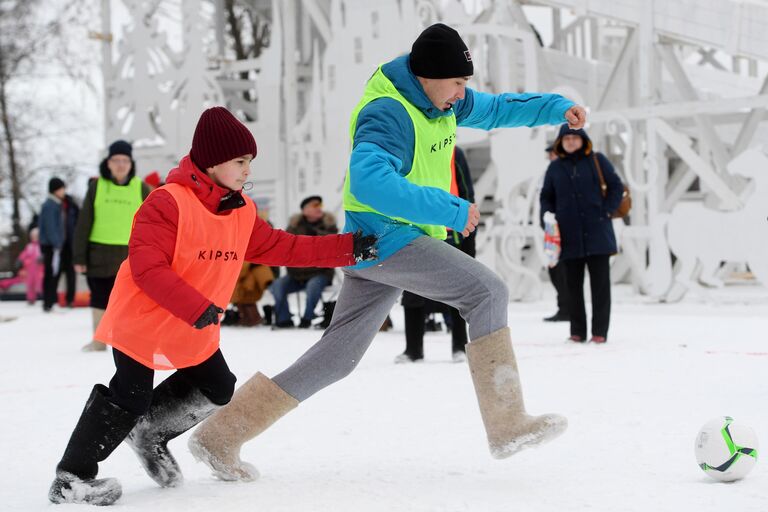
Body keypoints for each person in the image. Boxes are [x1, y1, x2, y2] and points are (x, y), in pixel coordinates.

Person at [189, 23, 586, 482]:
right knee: (487, 292)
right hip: (386, 237)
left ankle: (219, 436)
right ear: (429, 76)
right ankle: (508, 425)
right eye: (457, 83)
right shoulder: (387, 112)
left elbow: (496, 109)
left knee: (337, 357)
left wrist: (556, 108)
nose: (462, 93)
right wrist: (450, 209)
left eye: (464, 84)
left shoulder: (442, 102)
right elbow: (370, 182)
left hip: (376, 243)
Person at [47, 106, 377, 506]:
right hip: (146, 315)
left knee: (218, 387)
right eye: (240, 161)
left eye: (249, 162)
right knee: (130, 395)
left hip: (193, 317)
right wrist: (193, 304)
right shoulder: (166, 203)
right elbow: (147, 266)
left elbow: (283, 245)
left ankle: (149, 431)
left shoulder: (240, 211)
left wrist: (345, 248)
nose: (246, 171)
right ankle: (72, 476)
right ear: (213, 161)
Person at [540, 125, 623, 343]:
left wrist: (606, 210)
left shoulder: (597, 160)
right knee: (572, 288)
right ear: (560, 142)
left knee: (601, 288)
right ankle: (577, 332)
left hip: (598, 235)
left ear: (583, 139)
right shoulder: (555, 168)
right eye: (566, 138)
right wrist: (547, 218)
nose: (570, 141)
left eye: (574, 137)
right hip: (568, 238)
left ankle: (599, 333)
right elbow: (546, 197)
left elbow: (616, 186)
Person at [395, 146, 475, 363]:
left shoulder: (455, 153)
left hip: (451, 232)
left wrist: (469, 235)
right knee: (412, 291)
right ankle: (413, 349)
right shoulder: (409, 150)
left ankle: (460, 346)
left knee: (458, 292)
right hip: (415, 230)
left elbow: (466, 192)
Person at [74, 140, 151, 351]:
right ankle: (99, 341)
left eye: (124, 160)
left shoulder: (141, 187)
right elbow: (84, 222)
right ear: (108, 163)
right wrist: (79, 257)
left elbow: (153, 221)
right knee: (99, 297)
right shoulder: (96, 186)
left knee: (130, 300)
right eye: (116, 160)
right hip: (98, 253)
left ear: (130, 163)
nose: (120, 164)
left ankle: (128, 342)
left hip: (130, 254)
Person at [269, 195, 338, 329]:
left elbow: (330, 246)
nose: (319, 208)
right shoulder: (294, 227)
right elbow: (287, 248)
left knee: (313, 286)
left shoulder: (328, 226)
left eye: (320, 205)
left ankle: (307, 318)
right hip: (296, 274)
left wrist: (315, 234)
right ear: (305, 210)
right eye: (315, 205)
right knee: (278, 285)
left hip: (319, 272)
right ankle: (284, 320)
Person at [38, 177, 76, 311]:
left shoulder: (59, 203)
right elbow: (50, 227)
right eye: (61, 188)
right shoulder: (49, 205)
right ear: (55, 190)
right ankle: (48, 302)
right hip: (52, 246)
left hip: (60, 245)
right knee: (51, 273)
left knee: (59, 272)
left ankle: (57, 300)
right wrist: (57, 243)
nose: (63, 191)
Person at [541, 143, 569, 322]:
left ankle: (566, 308)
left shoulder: (562, 172)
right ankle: (564, 307)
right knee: (555, 269)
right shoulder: (553, 171)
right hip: (553, 228)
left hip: (561, 228)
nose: (550, 156)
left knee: (560, 270)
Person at [229, 262, 276, 326]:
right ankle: (248, 318)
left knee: (247, 302)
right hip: (247, 285)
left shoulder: (253, 264)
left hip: (249, 287)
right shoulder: (257, 264)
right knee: (243, 302)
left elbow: (241, 271)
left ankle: (254, 318)